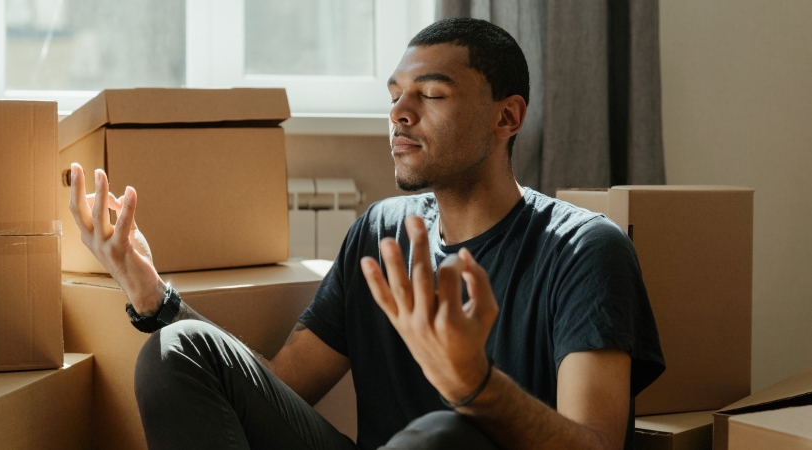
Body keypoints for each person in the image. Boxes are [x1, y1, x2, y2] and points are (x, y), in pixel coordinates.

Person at [68, 18, 664, 450]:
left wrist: (474, 387)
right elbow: (278, 388)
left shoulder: (585, 249)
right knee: (179, 350)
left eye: (430, 94)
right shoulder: (380, 233)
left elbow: (598, 446)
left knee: (448, 434)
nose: (400, 112)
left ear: (506, 117)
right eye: (395, 95)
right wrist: (147, 291)